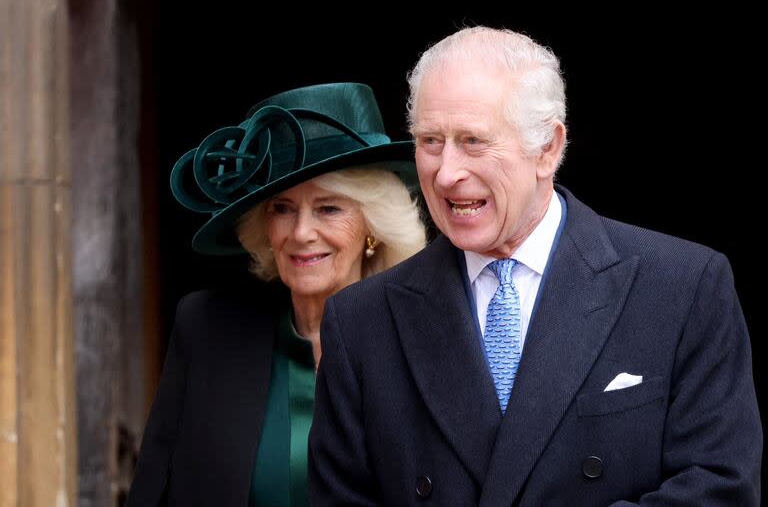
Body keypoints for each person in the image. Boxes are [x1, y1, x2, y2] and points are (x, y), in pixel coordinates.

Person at [308, 27, 762, 506]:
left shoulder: (682, 286)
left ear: (548, 147)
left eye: (473, 141)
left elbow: (719, 487)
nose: (446, 173)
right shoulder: (360, 321)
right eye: (430, 141)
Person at [125, 83, 427, 506]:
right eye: (282, 208)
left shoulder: (426, 340)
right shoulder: (207, 329)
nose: (302, 233)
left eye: (329, 208)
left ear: (372, 226)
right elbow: (152, 494)